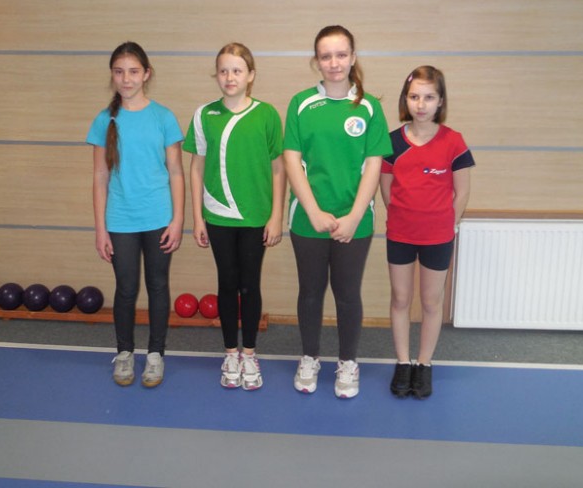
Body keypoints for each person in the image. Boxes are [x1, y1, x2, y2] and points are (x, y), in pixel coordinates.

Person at [283, 25, 391, 399]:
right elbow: (292, 160)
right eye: (326, 56)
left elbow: (374, 165)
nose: (334, 63)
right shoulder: (300, 104)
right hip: (307, 219)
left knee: (347, 294)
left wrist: (355, 217)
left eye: (341, 55)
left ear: (353, 57)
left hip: (354, 221)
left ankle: (348, 362)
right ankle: (309, 358)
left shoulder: (369, 107)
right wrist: (313, 212)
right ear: (316, 61)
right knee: (310, 292)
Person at [184, 43, 286, 390]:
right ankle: (230, 354)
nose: (230, 77)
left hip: (256, 216)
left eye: (237, 70)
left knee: (250, 284)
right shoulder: (204, 115)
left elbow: (278, 169)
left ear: (250, 75)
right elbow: (196, 168)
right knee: (227, 283)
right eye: (224, 70)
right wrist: (197, 218)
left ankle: (250, 354)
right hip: (218, 216)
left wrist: (276, 216)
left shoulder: (266, 114)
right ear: (217, 75)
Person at [86, 41, 185, 388]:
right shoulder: (104, 120)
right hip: (121, 220)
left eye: (133, 71)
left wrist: (178, 220)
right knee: (126, 288)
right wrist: (101, 229)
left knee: (158, 286)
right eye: (119, 72)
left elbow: (176, 172)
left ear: (146, 74)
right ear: (112, 75)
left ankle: (156, 354)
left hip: (159, 218)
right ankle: (125, 353)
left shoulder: (164, 117)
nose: (126, 79)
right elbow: (100, 177)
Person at [380, 65, 474, 399]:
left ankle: (424, 364)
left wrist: (447, 225)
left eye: (429, 97)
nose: (421, 104)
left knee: (432, 302)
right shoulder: (392, 141)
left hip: (438, 238)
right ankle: (403, 362)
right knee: (400, 299)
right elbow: (386, 189)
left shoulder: (453, 141)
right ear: (406, 99)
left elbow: (462, 192)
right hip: (400, 235)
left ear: (440, 101)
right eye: (414, 96)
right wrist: (402, 218)